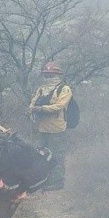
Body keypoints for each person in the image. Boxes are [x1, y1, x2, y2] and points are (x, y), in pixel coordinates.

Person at [28, 61, 72, 190]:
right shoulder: (41, 90)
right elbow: (32, 104)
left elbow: (58, 107)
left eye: (51, 75)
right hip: (42, 128)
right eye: (46, 75)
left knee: (57, 155)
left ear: (58, 76)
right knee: (41, 155)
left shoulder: (64, 89)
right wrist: (31, 110)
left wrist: (40, 109)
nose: (48, 78)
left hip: (57, 129)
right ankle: (44, 180)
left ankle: (58, 182)